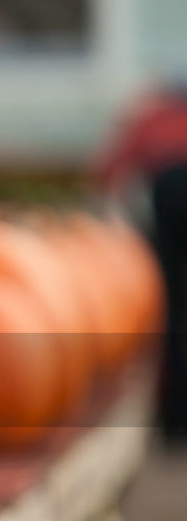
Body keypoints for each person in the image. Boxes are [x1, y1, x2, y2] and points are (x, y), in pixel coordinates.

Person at [93, 79, 187, 440]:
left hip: (167, 214)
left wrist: (116, 224)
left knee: (170, 315)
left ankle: (175, 420)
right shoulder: (154, 117)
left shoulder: (152, 117)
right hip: (166, 215)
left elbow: (110, 170)